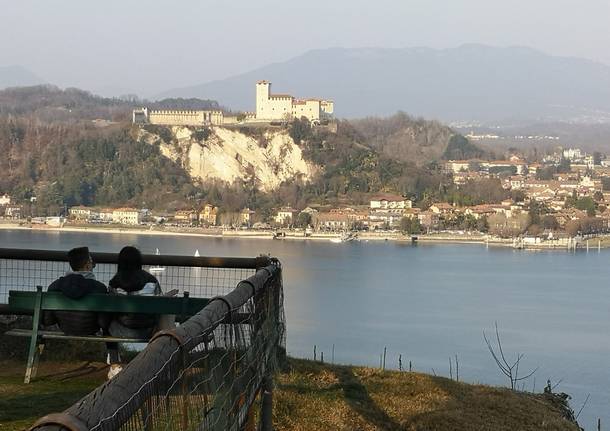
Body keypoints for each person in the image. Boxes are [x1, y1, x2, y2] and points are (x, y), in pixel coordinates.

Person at [44, 246, 121, 378]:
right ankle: (114, 364)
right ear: (87, 265)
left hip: (66, 327)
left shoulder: (55, 286)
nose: (92, 264)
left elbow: (48, 320)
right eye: (91, 262)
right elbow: (103, 322)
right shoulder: (99, 288)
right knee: (109, 324)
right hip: (90, 328)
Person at [108, 246, 164, 340]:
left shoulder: (114, 282)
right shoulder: (151, 280)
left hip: (119, 330)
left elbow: (110, 307)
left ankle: (113, 354)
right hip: (148, 331)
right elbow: (159, 305)